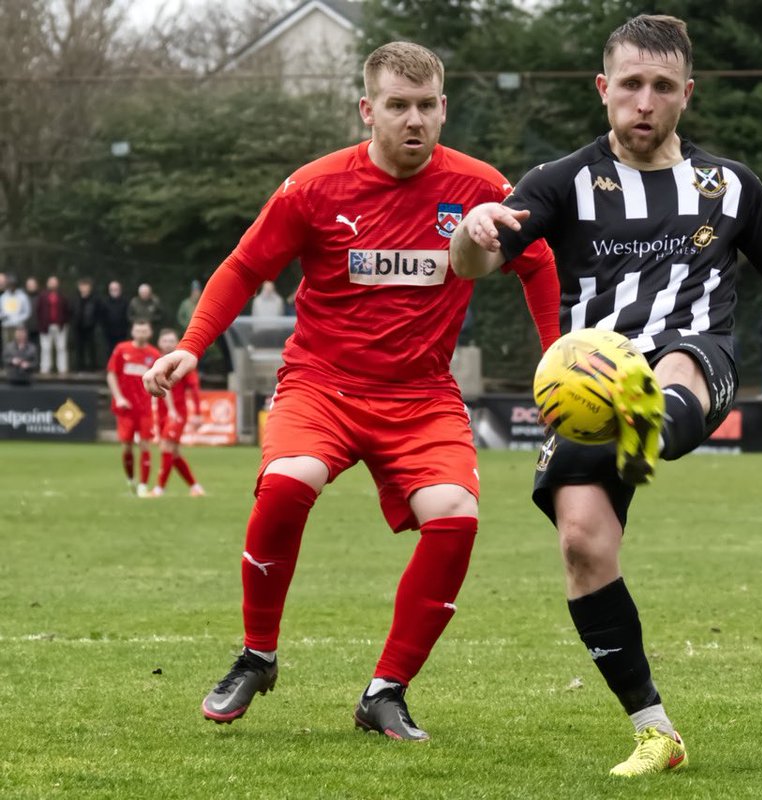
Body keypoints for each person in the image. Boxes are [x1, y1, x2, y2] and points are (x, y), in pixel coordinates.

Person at [449, 14, 762, 777]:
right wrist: (473, 228)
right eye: (629, 84)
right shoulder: (561, 181)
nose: (644, 100)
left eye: (662, 87)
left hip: (697, 362)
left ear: (686, 95)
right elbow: (471, 264)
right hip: (590, 382)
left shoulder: (728, 186)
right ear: (603, 90)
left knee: (672, 374)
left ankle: (648, 424)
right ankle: (656, 731)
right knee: (581, 543)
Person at [141, 41, 559, 739]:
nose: (413, 120)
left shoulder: (481, 187)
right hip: (321, 385)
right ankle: (257, 654)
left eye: (427, 106)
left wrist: (555, 360)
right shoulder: (312, 187)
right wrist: (190, 347)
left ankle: (385, 691)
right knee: (286, 481)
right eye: (397, 105)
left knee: (456, 516)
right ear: (368, 110)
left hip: (422, 395)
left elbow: (538, 264)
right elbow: (244, 268)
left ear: (444, 109)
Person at [106, 319, 160, 497]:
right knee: (127, 446)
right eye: (138, 330)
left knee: (145, 444)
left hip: (144, 407)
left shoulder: (154, 354)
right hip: (126, 407)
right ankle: (130, 479)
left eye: (144, 331)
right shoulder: (122, 350)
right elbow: (111, 374)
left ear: (150, 333)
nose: (141, 334)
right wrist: (119, 397)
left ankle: (143, 486)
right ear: (133, 332)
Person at [151, 329, 205, 497]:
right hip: (162, 413)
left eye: (171, 340)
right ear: (159, 343)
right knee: (173, 453)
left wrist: (197, 413)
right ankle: (195, 487)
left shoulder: (183, 363)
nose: (167, 344)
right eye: (164, 340)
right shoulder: (156, 362)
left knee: (167, 447)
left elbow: (194, 389)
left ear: (177, 343)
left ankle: (159, 489)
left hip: (177, 413)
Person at [36, 275, 71, 375]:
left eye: (54, 282)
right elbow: (38, 311)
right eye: (51, 282)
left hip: (60, 325)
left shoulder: (62, 296)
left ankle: (62, 369)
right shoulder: (42, 296)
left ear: (58, 284)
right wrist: (41, 323)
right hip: (45, 326)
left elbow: (67, 310)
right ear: (47, 284)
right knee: (46, 348)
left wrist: (64, 322)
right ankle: (45, 369)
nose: (53, 284)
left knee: (61, 347)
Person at [73, 278, 102, 371]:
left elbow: (98, 312)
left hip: (91, 326)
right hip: (78, 327)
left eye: (86, 286)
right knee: (79, 348)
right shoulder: (75, 298)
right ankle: (80, 366)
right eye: (82, 286)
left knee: (91, 347)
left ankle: (93, 367)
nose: (84, 288)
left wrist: (95, 323)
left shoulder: (95, 299)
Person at [1, 273, 31, 346]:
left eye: (13, 284)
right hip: (6, 326)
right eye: (10, 285)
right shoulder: (3, 297)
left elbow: (27, 312)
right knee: (7, 345)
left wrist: (18, 319)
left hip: (19, 326)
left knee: (19, 345)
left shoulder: (22, 296)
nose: (12, 287)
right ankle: (8, 358)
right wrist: (3, 316)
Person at [101, 280, 130, 357]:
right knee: (110, 349)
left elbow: (128, 315)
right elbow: (102, 316)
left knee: (122, 349)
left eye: (116, 289)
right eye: (112, 289)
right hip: (109, 331)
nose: (114, 291)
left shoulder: (125, 301)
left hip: (122, 331)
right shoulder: (105, 302)